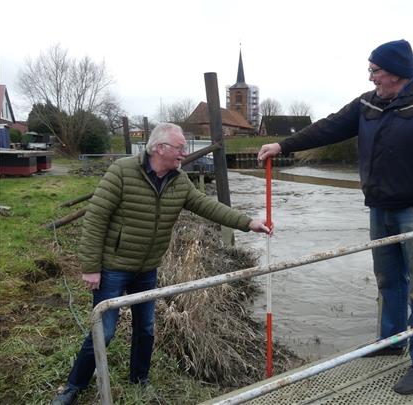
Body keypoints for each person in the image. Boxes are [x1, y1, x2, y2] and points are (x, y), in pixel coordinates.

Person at [258, 39, 413, 395]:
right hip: (379, 208)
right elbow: (330, 126)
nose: (370, 77)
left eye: (375, 70)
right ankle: (392, 341)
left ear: (396, 71)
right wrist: (283, 145)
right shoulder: (367, 103)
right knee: (388, 282)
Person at [52, 123, 271, 405]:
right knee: (103, 331)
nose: (184, 153)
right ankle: (73, 386)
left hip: (147, 268)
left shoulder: (179, 181)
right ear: (159, 148)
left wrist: (249, 223)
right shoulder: (121, 172)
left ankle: (139, 379)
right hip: (113, 267)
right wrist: (91, 267)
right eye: (179, 148)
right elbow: (95, 220)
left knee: (146, 329)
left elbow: (207, 205)